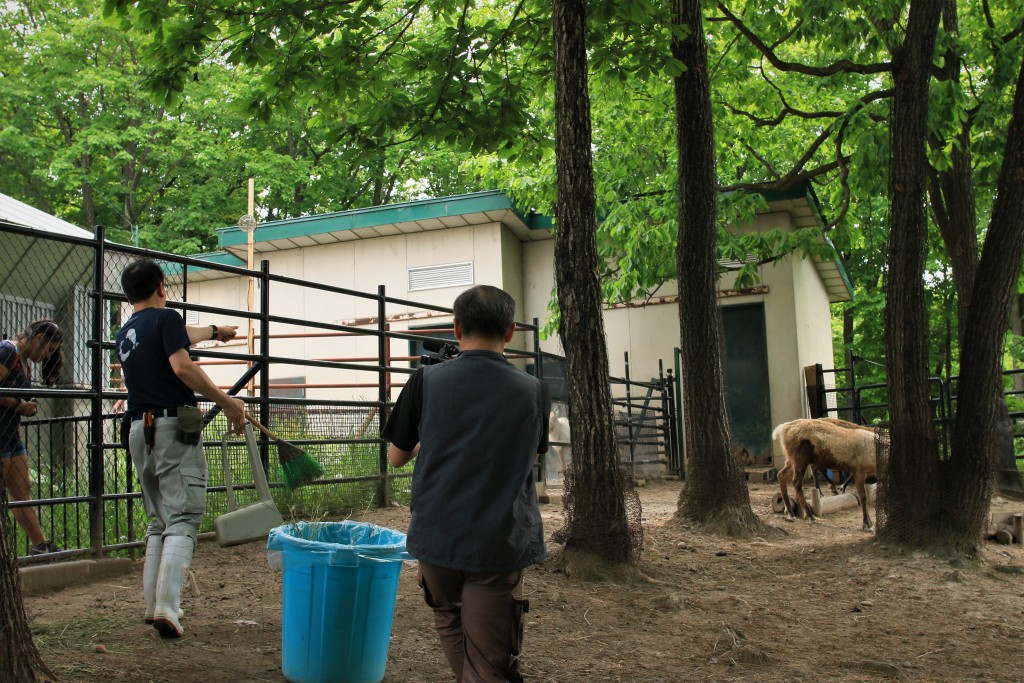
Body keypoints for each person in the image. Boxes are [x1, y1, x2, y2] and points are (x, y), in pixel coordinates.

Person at [383, 285, 550, 683]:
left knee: (449, 616)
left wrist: (431, 438)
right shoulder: (533, 391)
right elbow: (533, 454)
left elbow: (396, 457)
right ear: (510, 332)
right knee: (491, 656)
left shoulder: (425, 381)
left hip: (437, 537)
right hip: (498, 540)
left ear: (456, 329)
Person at [116, 258, 246, 639]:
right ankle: (168, 608)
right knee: (184, 517)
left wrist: (214, 331)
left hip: (139, 430)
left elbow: (175, 335)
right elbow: (181, 366)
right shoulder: (167, 317)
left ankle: (152, 605)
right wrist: (227, 401)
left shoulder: (126, 332)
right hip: (172, 426)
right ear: (161, 287)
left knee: (158, 520)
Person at [0, 319, 65, 556]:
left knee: (22, 490)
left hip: (10, 433)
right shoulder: (8, 351)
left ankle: (40, 545)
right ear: (38, 339)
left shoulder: (24, 362)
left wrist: (23, 407)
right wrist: (19, 405)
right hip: (2, 431)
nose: (48, 356)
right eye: (48, 349)